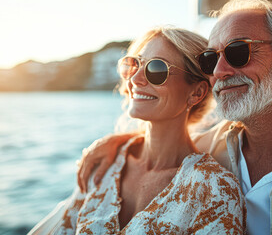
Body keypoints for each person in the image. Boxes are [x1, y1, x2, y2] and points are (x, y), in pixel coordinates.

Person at [77, 0, 272, 234]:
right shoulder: (208, 149)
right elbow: (168, 139)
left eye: (237, 52)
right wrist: (118, 142)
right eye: (210, 59)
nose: (219, 72)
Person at [29, 26, 246, 234]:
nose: (135, 79)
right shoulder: (105, 164)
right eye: (134, 64)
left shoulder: (214, 190)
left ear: (196, 93)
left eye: (157, 68)